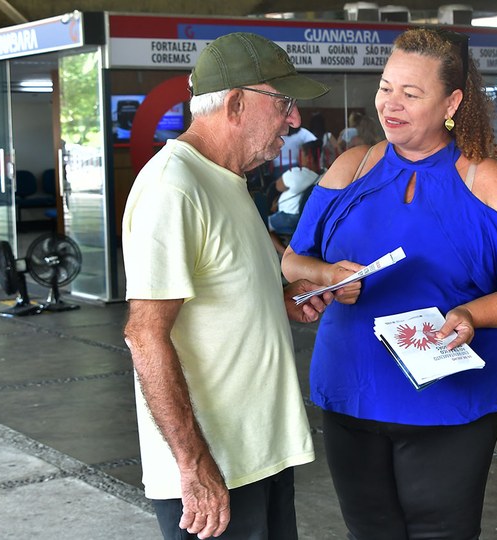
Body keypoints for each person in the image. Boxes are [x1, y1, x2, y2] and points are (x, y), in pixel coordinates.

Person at [281, 27, 497, 540]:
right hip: (352, 392)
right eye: (386, 88)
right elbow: (293, 260)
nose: (392, 104)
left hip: (447, 403)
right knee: (370, 532)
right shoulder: (352, 166)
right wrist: (324, 278)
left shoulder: (487, 179)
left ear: (452, 101)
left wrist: (475, 314)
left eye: (412, 93)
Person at [121, 32, 333, 540]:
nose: (295, 119)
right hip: (215, 474)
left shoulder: (229, 182)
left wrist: (281, 302)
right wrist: (193, 468)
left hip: (260, 457)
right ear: (236, 102)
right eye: (284, 102)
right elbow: (145, 335)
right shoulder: (174, 187)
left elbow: (224, 293)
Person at [268, 139, 321, 255]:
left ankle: (286, 254)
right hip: (310, 219)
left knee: (263, 224)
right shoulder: (324, 175)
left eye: (301, 155)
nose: (298, 158)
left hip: (289, 217)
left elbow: (277, 186)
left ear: (309, 158)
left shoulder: (297, 173)